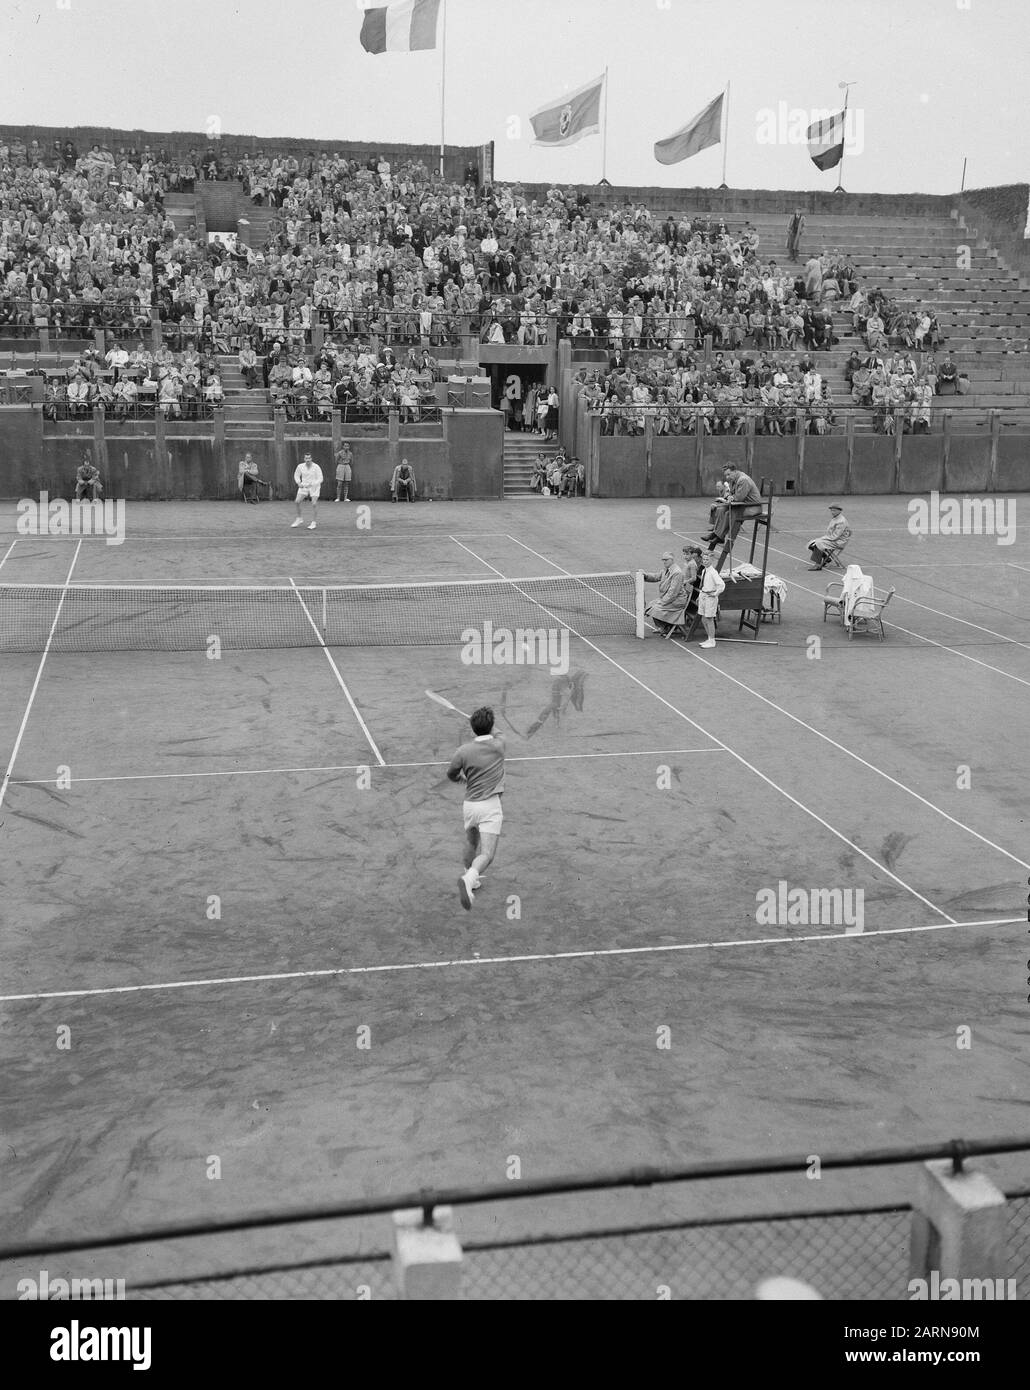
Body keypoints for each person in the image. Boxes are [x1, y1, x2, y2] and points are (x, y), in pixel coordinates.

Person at [447, 705, 506, 911]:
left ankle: (470, 875)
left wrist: (461, 778)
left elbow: (451, 774)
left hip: (470, 806)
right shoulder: (499, 745)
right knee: (487, 854)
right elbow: (497, 732)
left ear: (473, 729)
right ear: (490, 726)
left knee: (472, 842)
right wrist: (486, 724)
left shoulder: (462, 751)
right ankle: (470, 879)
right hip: (490, 807)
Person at [702, 466, 763, 550]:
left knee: (730, 512)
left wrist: (731, 498)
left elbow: (739, 498)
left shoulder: (743, 480)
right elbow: (731, 494)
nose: (727, 477)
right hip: (743, 505)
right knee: (721, 509)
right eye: (726, 475)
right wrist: (728, 498)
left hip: (753, 507)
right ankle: (716, 534)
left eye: (728, 474)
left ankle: (720, 536)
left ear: (735, 471)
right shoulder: (732, 480)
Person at [642, 551, 688, 637]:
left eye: (666, 560)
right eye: (663, 560)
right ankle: (664, 627)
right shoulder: (666, 569)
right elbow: (656, 576)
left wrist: (662, 602)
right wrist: (645, 575)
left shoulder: (677, 573)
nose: (664, 561)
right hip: (670, 599)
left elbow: (673, 593)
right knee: (651, 604)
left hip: (677, 601)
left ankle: (665, 627)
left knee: (655, 608)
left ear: (672, 560)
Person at [807, 505, 852, 570]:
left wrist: (823, 539)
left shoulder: (841, 521)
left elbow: (836, 536)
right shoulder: (836, 518)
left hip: (838, 542)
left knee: (818, 543)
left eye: (834, 510)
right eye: (831, 510)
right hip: (833, 539)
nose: (832, 512)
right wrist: (824, 538)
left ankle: (817, 565)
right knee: (811, 544)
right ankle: (826, 558)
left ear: (839, 511)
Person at [697, 550, 725, 649]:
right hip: (703, 596)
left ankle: (712, 640)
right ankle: (709, 638)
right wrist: (699, 596)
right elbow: (703, 585)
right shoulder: (704, 570)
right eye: (704, 559)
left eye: (707, 559)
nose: (705, 561)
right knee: (704, 618)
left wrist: (715, 593)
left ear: (711, 560)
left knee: (709, 619)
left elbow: (721, 585)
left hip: (710, 598)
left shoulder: (713, 572)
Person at [291, 452, 322, 528]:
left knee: (314, 503)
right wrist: (298, 483)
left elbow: (320, 478)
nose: (308, 460)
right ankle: (299, 518)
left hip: (314, 487)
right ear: (304, 459)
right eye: (306, 458)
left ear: (311, 459)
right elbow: (296, 475)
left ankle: (313, 522)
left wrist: (313, 484)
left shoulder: (316, 467)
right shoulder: (300, 466)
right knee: (297, 501)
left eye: (309, 458)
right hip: (303, 486)